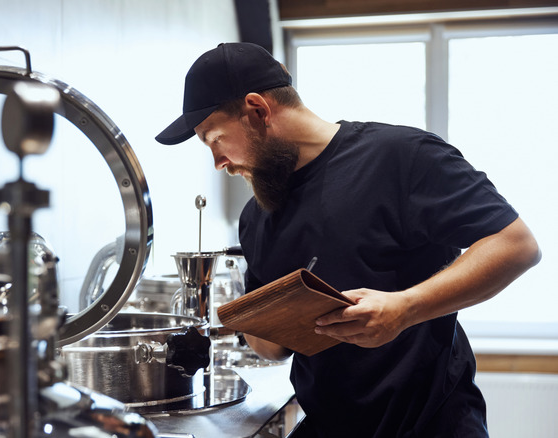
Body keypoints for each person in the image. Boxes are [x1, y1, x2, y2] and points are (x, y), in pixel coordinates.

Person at [155, 42, 541, 437]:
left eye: (213, 138)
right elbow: (272, 347)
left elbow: (516, 245)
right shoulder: (257, 216)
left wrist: (404, 308)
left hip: (430, 424)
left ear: (257, 110)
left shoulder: (400, 158)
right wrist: (239, 322)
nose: (218, 162)